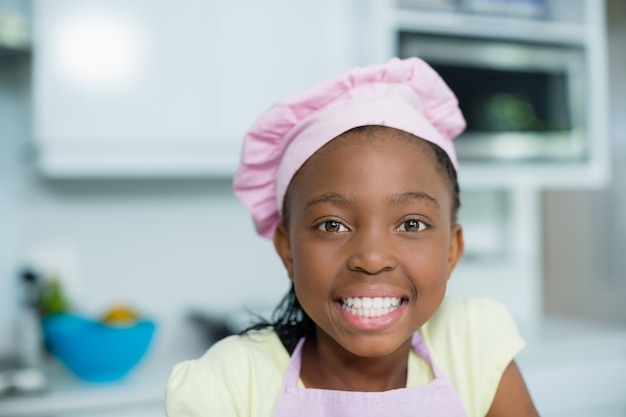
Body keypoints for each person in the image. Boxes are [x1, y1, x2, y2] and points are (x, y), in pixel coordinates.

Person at [165, 57, 539, 417]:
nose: (373, 258)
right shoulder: (228, 383)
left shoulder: (473, 344)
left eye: (411, 224)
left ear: (452, 251)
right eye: (332, 225)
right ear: (287, 250)